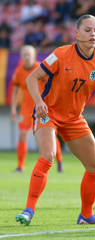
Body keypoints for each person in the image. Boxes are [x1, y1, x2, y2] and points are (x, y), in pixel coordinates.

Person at [15, 14, 95, 226]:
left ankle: (86, 215)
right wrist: (38, 102)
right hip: (48, 113)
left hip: (74, 119)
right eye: (88, 30)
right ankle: (28, 210)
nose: (93, 34)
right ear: (76, 33)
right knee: (48, 155)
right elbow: (32, 77)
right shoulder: (61, 54)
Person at [10, 45, 64, 173]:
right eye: (24, 55)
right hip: (25, 109)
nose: (27, 57)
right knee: (22, 136)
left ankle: (60, 161)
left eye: (29, 54)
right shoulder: (18, 72)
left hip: (42, 108)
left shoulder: (41, 68)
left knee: (50, 138)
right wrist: (13, 108)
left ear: (34, 55)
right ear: (21, 57)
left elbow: (51, 85)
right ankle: (20, 166)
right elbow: (15, 91)